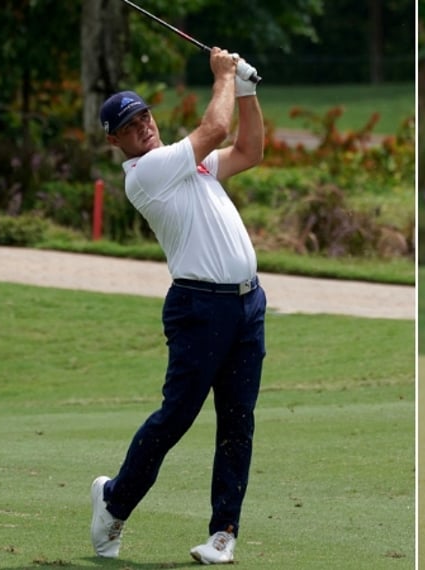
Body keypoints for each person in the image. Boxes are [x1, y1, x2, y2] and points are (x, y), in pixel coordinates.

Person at [88, 47, 266, 565]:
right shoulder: (146, 172)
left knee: (238, 420)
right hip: (199, 308)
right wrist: (224, 76)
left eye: (143, 116)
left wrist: (247, 90)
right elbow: (215, 127)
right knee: (176, 418)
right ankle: (114, 502)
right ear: (115, 141)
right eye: (129, 125)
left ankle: (223, 534)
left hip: (247, 305)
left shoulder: (194, 164)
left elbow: (250, 150)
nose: (142, 126)